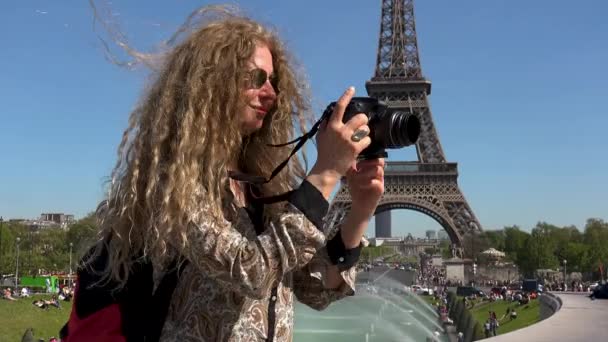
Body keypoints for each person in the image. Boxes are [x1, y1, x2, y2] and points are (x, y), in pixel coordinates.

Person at [64, 8, 385, 342]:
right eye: (257, 78)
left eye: (273, 81)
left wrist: (360, 212)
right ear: (213, 83)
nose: (271, 94)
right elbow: (250, 271)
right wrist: (326, 172)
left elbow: (314, 291)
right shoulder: (175, 183)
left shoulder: (259, 184)